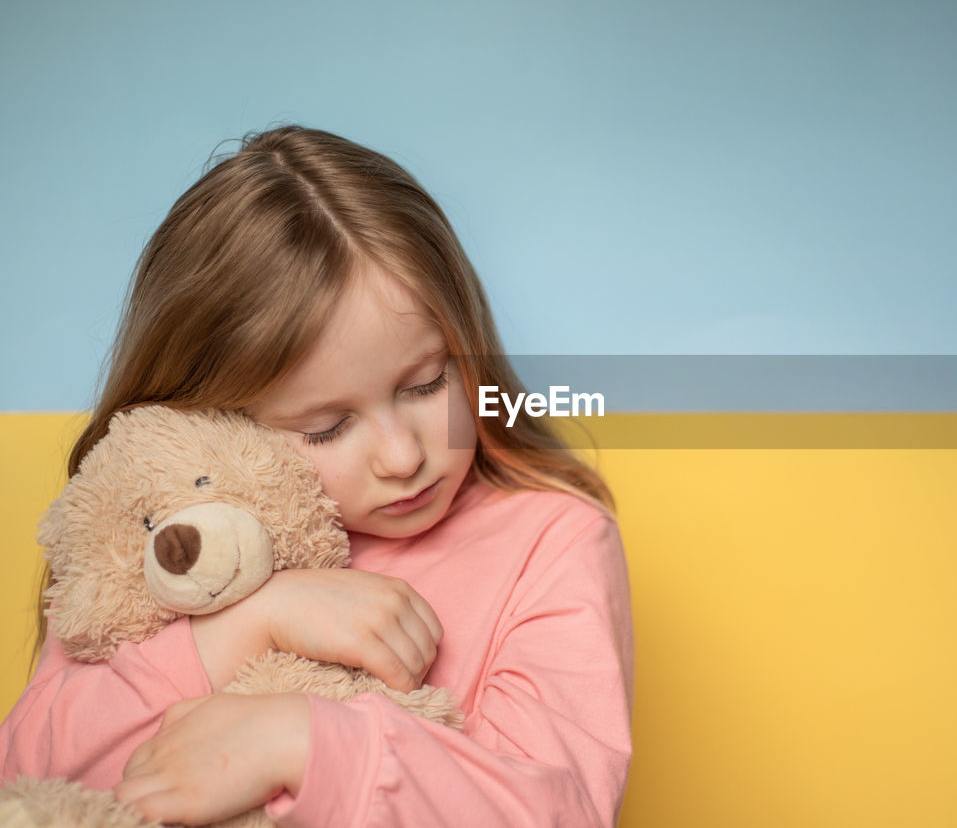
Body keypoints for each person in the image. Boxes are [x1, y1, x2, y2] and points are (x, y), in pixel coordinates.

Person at [0, 126, 634, 826]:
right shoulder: (162, 533)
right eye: (326, 427)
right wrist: (250, 623)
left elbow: (558, 811)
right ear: (217, 413)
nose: (402, 456)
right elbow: (27, 774)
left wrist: (298, 740)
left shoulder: (551, 538)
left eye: (426, 383)